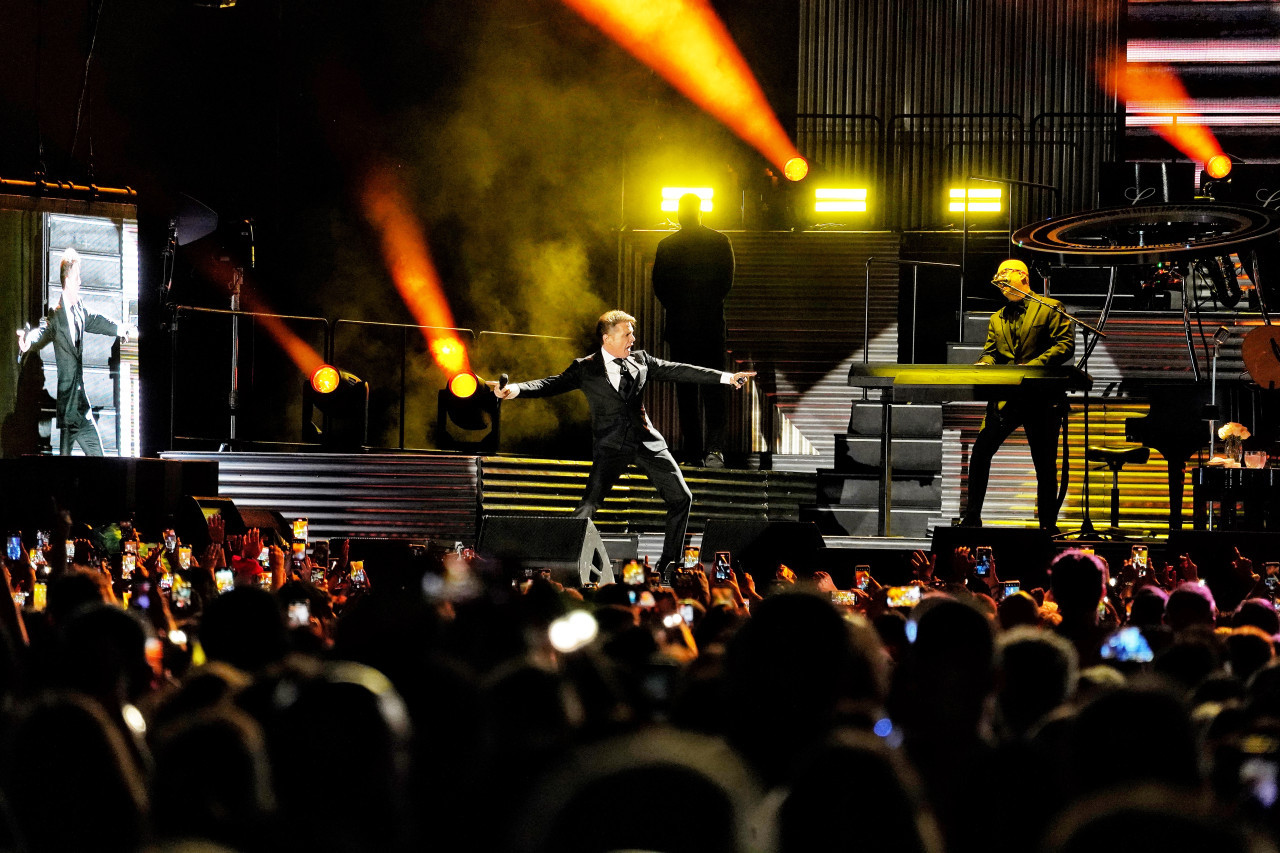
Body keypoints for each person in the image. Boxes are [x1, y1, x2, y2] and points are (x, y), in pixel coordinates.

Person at [489, 310, 755, 579]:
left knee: (681, 498)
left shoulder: (641, 361)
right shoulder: (586, 367)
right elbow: (550, 383)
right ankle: (561, 559)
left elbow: (679, 370)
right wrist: (515, 390)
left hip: (646, 442)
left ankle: (668, 565)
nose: (633, 338)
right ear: (607, 338)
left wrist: (725, 377)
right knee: (589, 504)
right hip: (611, 445)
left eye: (632, 333)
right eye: (627, 334)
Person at [961, 259, 1075, 530]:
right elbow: (990, 352)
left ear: (1023, 277)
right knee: (980, 452)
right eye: (999, 283)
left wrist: (1033, 367)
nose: (1002, 286)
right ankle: (972, 517)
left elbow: (1065, 345)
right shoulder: (997, 318)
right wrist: (984, 365)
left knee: (1044, 464)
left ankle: (1048, 524)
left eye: (1006, 279)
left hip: (1041, 398)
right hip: (1006, 397)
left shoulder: (1050, 308)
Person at [16, 247, 137, 456]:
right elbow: (41, 331)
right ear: (68, 280)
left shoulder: (80, 309)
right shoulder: (56, 314)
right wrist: (28, 341)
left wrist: (120, 329)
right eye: (78, 277)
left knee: (99, 458)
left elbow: (98, 321)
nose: (80, 281)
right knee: (64, 469)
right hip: (68, 410)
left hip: (82, 407)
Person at [651, 192, 735, 467]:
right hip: (709, 328)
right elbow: (725, 284)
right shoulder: (720, 242)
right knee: (714, 391)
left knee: (686, 394)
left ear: (679, 213)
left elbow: (660, 287)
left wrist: (679, 309)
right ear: (700, 212)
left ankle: (691, 453)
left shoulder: (667, 245)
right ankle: (715, 450)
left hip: (681, 330)